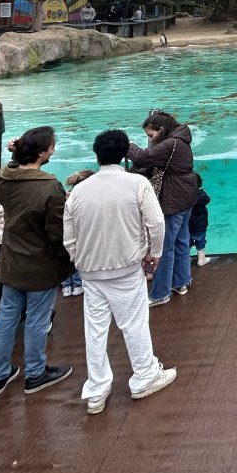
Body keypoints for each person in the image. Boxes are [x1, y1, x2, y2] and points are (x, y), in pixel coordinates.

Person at [63, 129, 177, 415]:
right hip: (126, 268)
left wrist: (80, 260)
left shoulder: (79, 190)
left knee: (95, 329)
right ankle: (144, 376)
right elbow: (156, 223)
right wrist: (155, 254)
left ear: (96, 155)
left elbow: (68, 235)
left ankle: (97, 390)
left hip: (90, 271)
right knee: (134, 323)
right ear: (126, 152)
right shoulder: (136, 183)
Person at [0, 126, 74, 398]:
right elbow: (57, 233)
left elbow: (12, 172)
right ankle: (35, 374)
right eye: (51, 146)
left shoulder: (3, 179)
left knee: (7, 318)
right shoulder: (48, 186)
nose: (53, 149)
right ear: (41, 152)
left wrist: (15, 158)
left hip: (11, 260)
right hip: (39, 264)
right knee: (37, 319)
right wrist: (69, 259)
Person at [126, 111, 198, 306]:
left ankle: (160, 293)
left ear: (162, 129)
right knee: (182, 240)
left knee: (165, 247)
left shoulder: (170, 143)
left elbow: (141, 158)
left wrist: (128, 144)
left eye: (151, 135)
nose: (150, 139)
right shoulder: (179, 139)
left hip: (174, 197)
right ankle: (181, 282)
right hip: (187, 194)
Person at [61, 169, 95, 296]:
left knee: (68, 260)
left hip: (66, 236)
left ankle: (66, 286)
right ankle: (77, 285)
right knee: (78, 261)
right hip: (83, 236)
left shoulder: (67, 197)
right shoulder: (87, 199)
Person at [189, 172, 212, 268]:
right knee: (200, 240)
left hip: (188, 224)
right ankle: (201, 259)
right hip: (200, 224)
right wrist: (201, 190)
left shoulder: (186, 196)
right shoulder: (201, 195)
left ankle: (185, 258)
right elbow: (208, 199)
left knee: (187, 241)